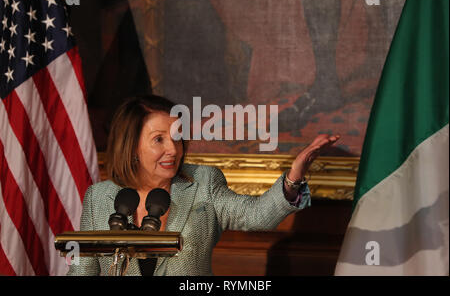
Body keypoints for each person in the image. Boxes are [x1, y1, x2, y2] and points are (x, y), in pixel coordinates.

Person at [67, 95, 340, 276]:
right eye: (159, 139)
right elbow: (83, 270)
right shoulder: (100, 197)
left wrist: (293, 178)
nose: (173, 150)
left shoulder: (203, 183)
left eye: (176, 138)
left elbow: (257, 215)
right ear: (132, 145)